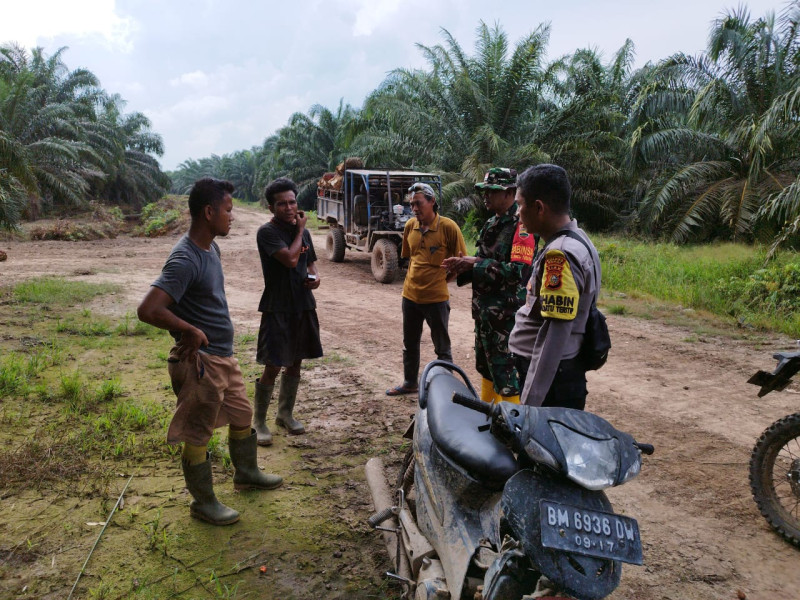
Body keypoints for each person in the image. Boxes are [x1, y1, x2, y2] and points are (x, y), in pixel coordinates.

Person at [137, 177, 282, 526]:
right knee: (198, 432)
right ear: (208, 211)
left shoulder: (210, 248)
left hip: (224, 356)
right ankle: (203, 503)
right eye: (228, 210)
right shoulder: (185, 258)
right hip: (202, 362)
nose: (232, 216)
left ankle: (246, 473)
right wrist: (187, 330)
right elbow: (148, 309)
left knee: (243, 414)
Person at [508, 164, 602, 410]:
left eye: (520, 204)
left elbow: (553, 336)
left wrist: (530, 407)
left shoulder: (559, 256)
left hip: (552, 381)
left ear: (539, 207)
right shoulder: (579, 240)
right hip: (561, 375)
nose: (517, 213)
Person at [442, 168, 536, 404]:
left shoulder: (521, 227)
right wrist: (462, 267)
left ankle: (510, 429)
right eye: (483, 191)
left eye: (492, 191)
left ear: (510, 193)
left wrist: (475, 263)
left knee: (506, 375)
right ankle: (490, 420)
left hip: (506, 319)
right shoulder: (491, 223)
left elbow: (518, 272)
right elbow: (481, 262)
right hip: (485, 315)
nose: (485, 196)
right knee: (486, 367)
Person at [253, 177, 322, 444]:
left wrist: (315, 279)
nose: (289, 208)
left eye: (292, 202)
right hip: (277, 306)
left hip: (302, 304)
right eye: (282, 204)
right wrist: (299, 230)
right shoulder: (267, 233)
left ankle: (285, 414)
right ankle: (259, 422)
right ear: (271, 208)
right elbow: (292, 259)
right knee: (273, 364)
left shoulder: (304, 233)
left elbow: (310, 264)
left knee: (296, 361)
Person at [386, 182, 467, 396]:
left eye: (418, 203)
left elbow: (461, 262)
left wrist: (441, 281)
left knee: (442, 347)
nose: (414, 209)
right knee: (409, 343)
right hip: (410, 296)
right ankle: (410, 382)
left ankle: (447, 391)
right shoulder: (409, 226)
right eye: (411, 204)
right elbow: (410, 257)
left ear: (432, 202)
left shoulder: (448, 227)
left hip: (436, 299)